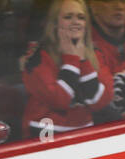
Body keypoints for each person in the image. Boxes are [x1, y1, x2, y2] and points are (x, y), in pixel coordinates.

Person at [21, 0, 113, 138]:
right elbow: (59, 100)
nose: (75, 22)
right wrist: (71, 59)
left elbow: (99, 102)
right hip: (44, 134)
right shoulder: (38, 57)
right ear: (55, 23)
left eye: (81, 17)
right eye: (68, 17)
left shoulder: (96, 54)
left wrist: (83, 60)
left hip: (83, 132)